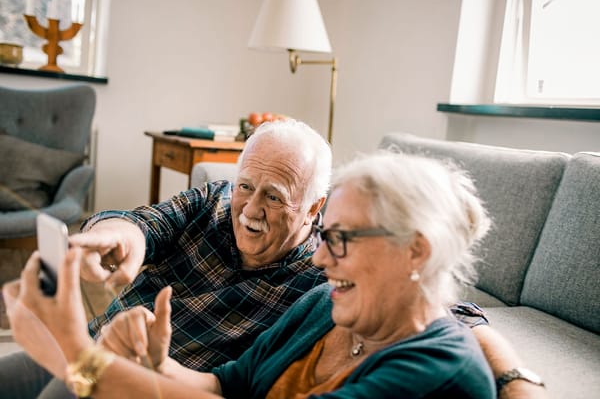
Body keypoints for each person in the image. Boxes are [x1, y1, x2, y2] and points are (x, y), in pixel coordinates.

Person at [4, 152, 500, 398]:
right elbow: (223, 386)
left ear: (417, 251)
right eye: (325, 239)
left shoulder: (434, 371)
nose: (322, 260)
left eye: (341, 240)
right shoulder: (324, 308)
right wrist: (151, 362)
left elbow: (460, 318)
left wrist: (79, 356)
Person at [0, 119, 332, 397]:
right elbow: (145, 224)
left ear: (313, 208)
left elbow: (239, 385)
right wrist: (114, 235)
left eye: (273, 196)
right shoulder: (215, 201)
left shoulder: (318, 285)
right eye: (245, 186)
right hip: (91, 343)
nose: (250, 209)